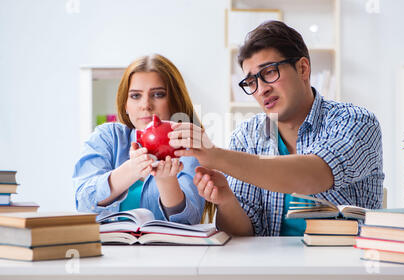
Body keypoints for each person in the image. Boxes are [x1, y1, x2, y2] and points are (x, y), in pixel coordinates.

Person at [168, 20, 384, 236]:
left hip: (346, 265)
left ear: (303, 68)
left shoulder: (357, 122)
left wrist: (217, 157)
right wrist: (226, 201)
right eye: (251, 82)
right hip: (272, 266)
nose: (261, 89)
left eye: (269, 72)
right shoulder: (247, 136)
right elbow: (243, 233)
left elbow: (312, 176)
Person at [73, 54, 215, 224]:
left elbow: (189, 221)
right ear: (125, 104)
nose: (145, 104)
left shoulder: (189, 147)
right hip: (110, 249)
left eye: (158, 94)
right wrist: (131, 170)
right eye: (135, 96)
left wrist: (166, 181)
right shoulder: (107, 137)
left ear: (174, 101)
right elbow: (83, 203)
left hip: (168, 250)